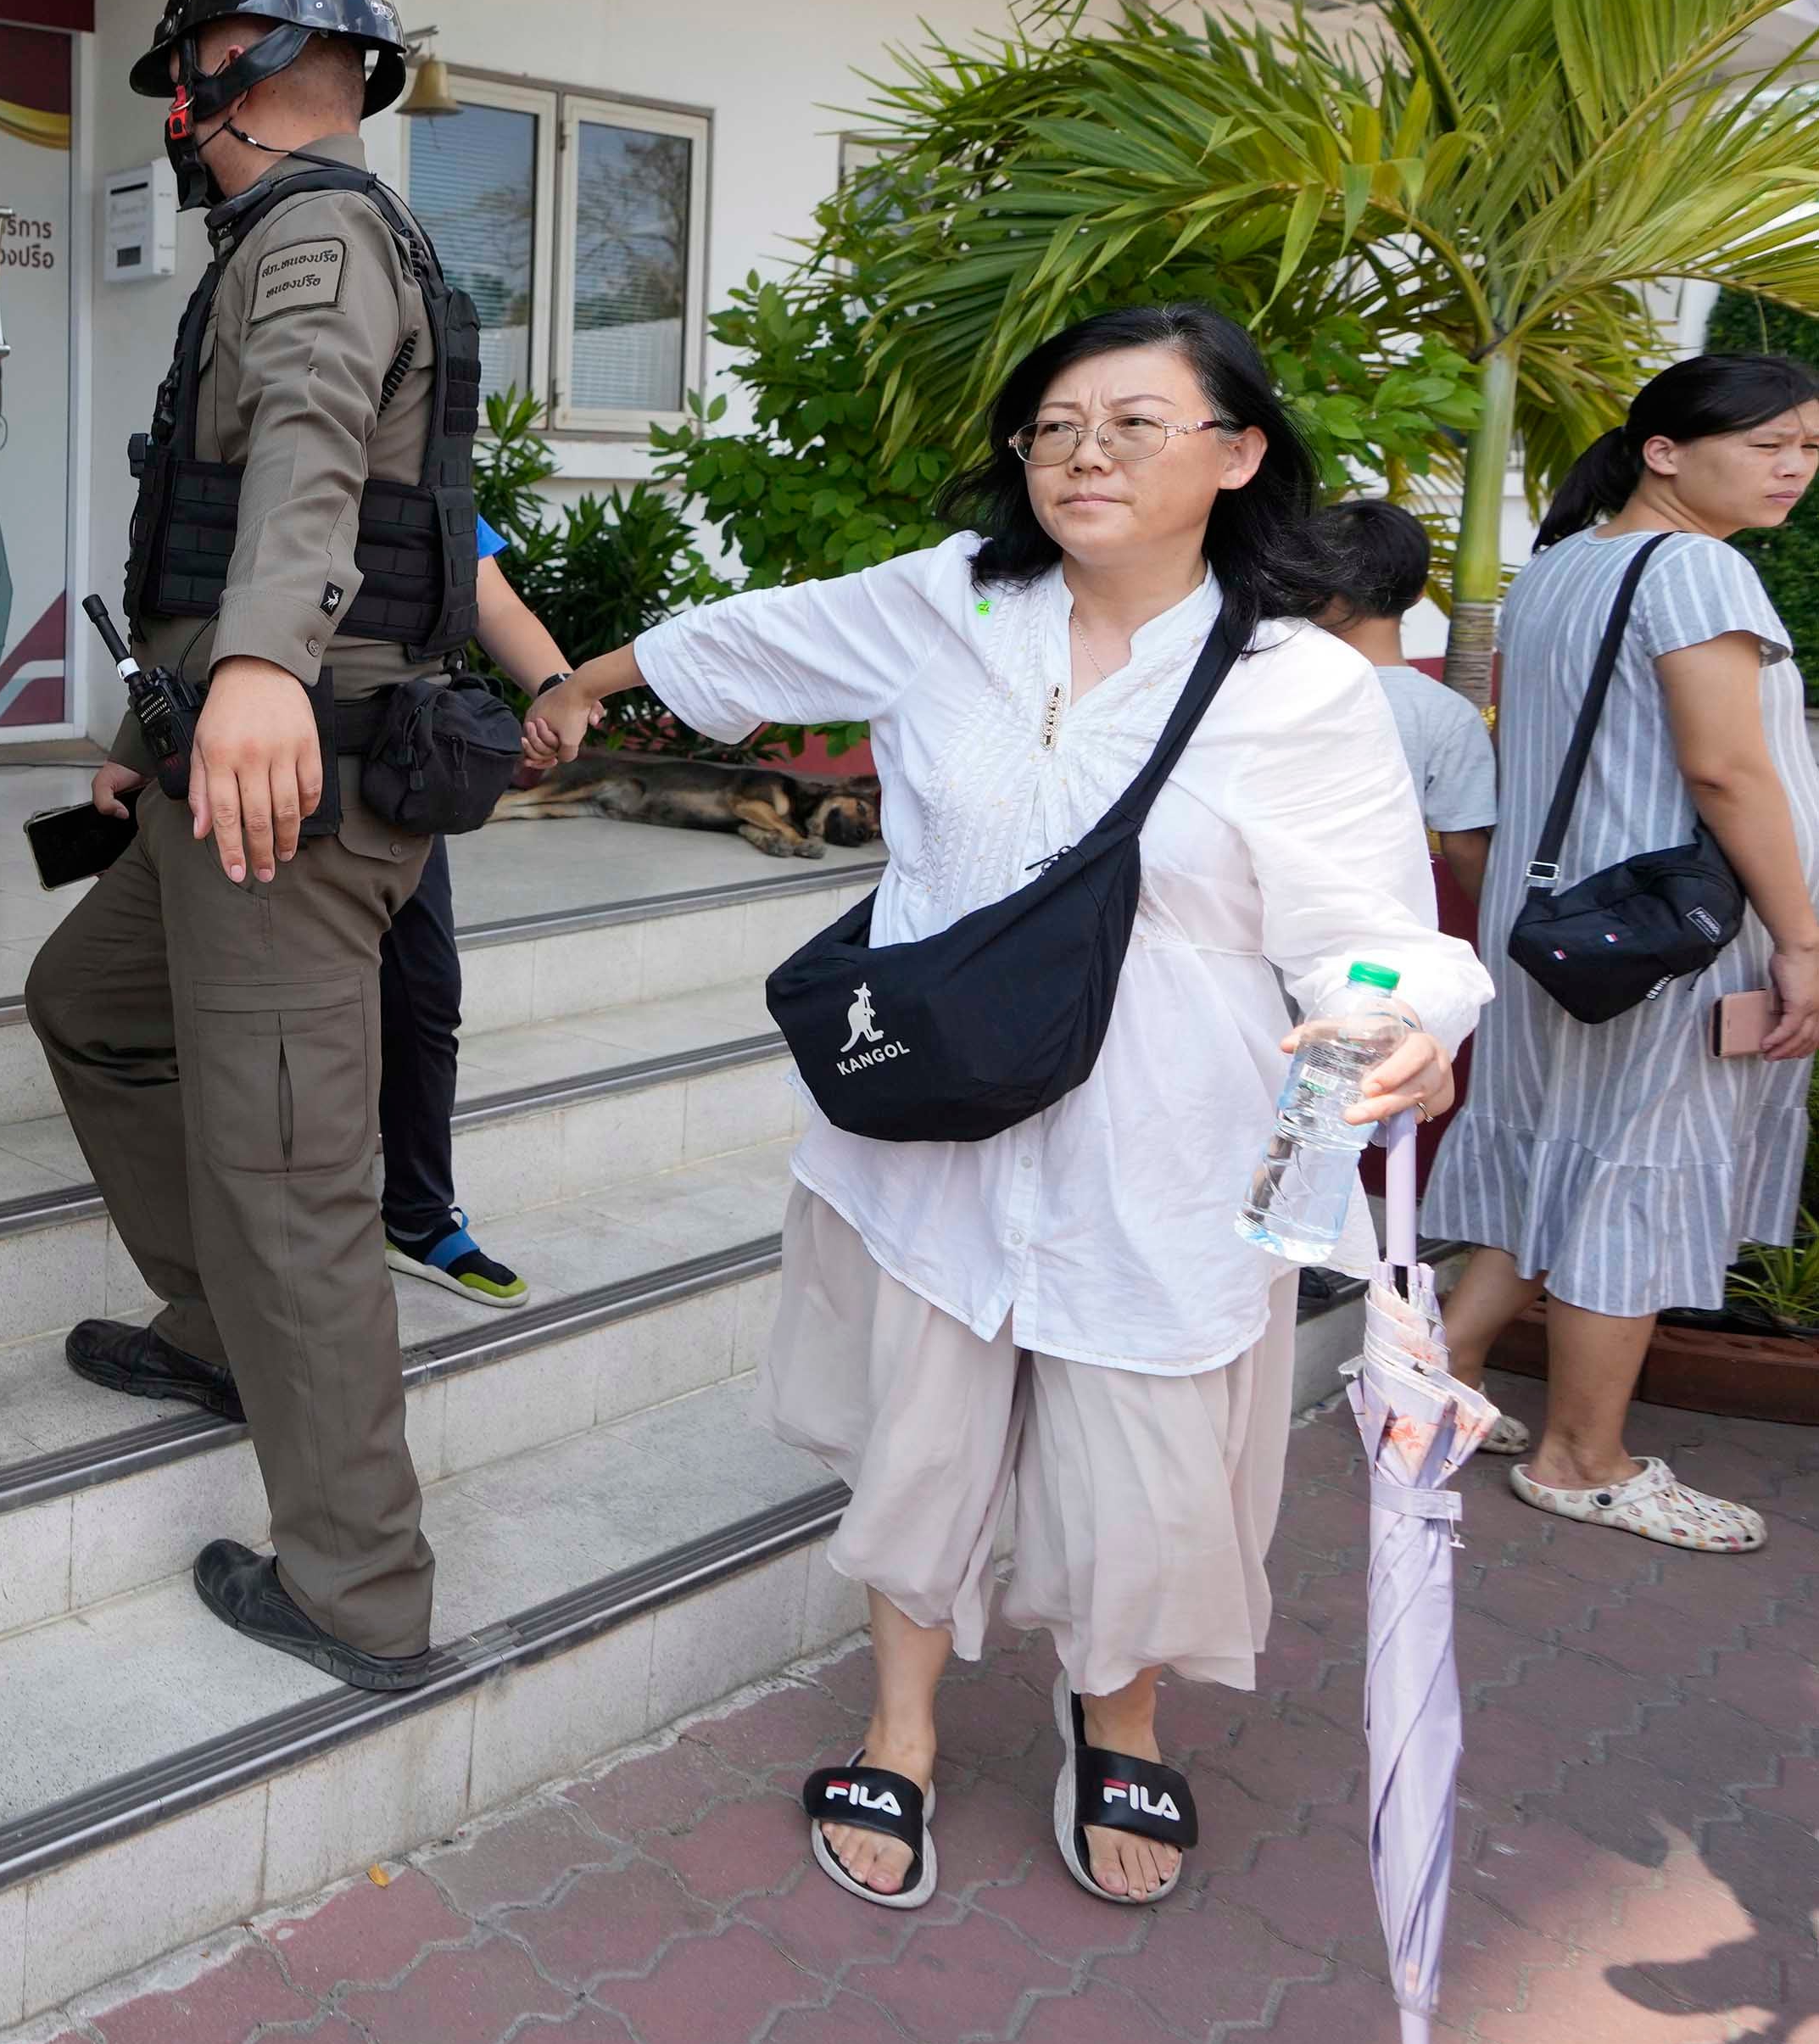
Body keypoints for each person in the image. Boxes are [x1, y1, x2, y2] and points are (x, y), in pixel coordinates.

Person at [533, 305, 1479, 1912]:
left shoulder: (1298, 685)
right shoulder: (947, 602)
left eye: (1130, 422)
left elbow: (1371, 931)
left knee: (1144, 1458)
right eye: (1051, 426)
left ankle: (1117, 1714)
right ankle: (895, 1723)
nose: (1082, 453)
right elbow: (757, 636)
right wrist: (575, 684)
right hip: (937, 1108)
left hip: (1158, 1131)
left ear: (1236, 454)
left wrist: (1402, 1028)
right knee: (922, 1433)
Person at [26, 0, 466, 1700]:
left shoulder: (313, 238)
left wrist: (267, 668)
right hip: (230, 758)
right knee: (92, 1001)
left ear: (227, 67)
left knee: (287, 1174)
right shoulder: (324, 233)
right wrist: (169, 711)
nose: (182, 127)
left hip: (293, 781)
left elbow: (306, 441)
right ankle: (214, 1329)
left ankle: (359, 1581)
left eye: (187, 87)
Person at [1434, 353, 1819, 1555]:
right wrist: (1801, 938)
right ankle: (1579, 1459)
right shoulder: (1697, 570)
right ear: (1662, 449)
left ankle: (1427, 1389)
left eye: (1807, 447)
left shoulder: (1559, 565)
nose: (1792, 467)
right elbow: (1723, 766)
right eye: (1768, 442)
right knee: (1634, 1177)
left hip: (1559, 927)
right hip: (1665, 936)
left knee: (1552, 1153)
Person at [374, 526, 575, 1310]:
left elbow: (493, 600)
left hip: (400, 764)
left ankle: (419, 1218)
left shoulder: (428, 455)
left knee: (424, 995)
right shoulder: (274, 431)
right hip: (272, 765)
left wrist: (558, 685)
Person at [1314, 499, 1496, 916]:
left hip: (1258, 931)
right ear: (1417, 593)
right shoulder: (1446, 714)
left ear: (1312, 584)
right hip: (1384, 934)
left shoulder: (1258, 687)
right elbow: (1465, 843)